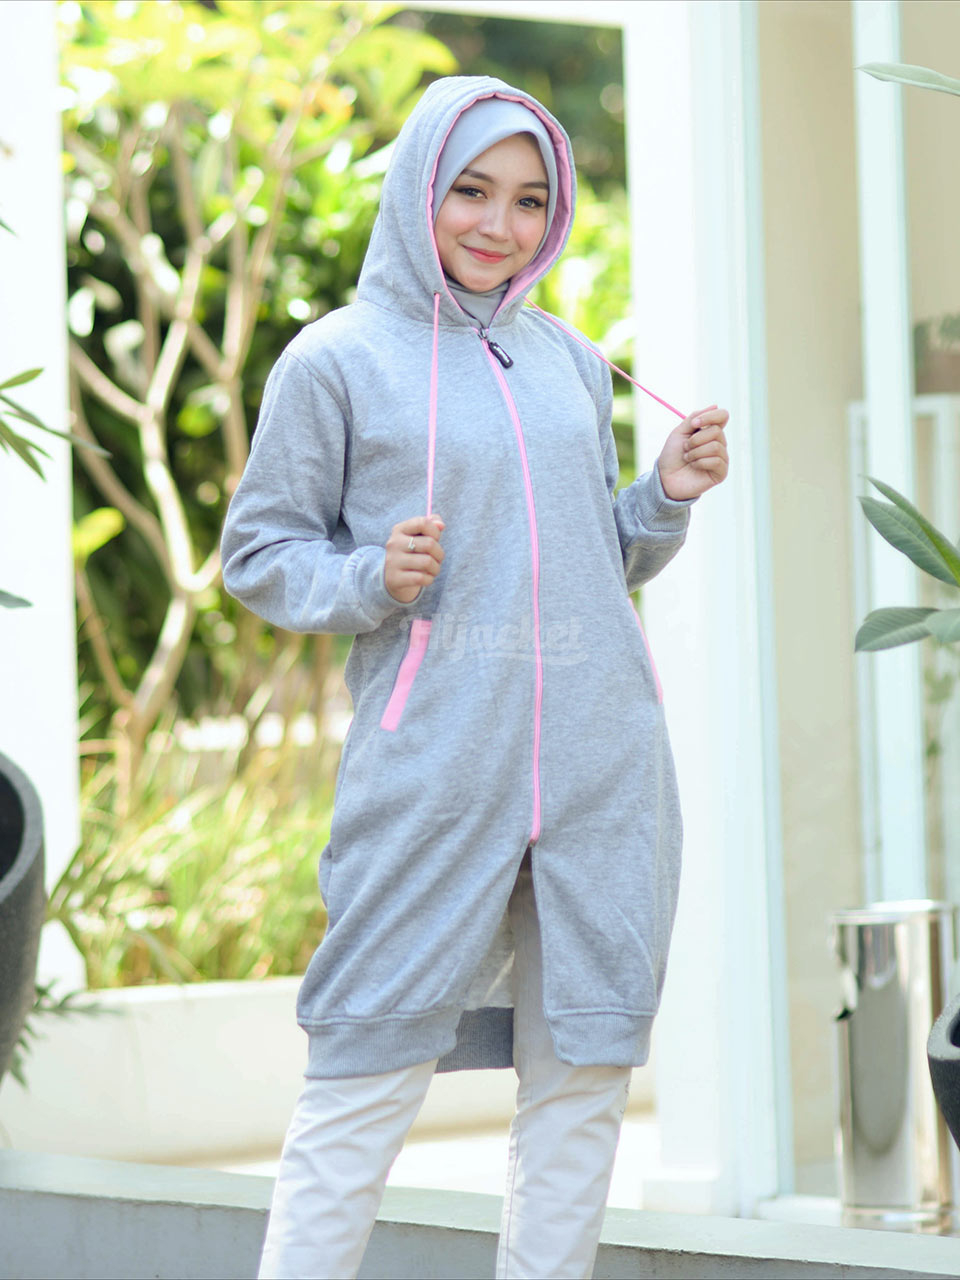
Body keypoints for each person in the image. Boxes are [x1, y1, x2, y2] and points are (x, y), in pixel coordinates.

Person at [220, 74, 729, 1280]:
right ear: (420, 190)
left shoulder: (567, 360)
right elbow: (260, 550)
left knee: (583, 1077)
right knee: (364, 1072)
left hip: (603, 767)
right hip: (437, 767)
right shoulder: (337, 360)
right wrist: (372, 577)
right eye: (472, 191)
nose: (499, 224)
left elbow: (588, 561)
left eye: (529, 199)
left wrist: (663, 495)